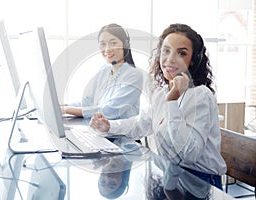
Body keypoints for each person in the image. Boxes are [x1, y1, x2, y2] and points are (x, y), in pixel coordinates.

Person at [89, 23, 227, 190]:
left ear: (193, 60)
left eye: (181, 53)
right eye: (166, 51)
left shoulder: (201, 96)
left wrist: (172, 102)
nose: (170, 59)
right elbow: (140, 124)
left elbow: (189, 154)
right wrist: (108, 126)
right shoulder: (162, 93)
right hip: (172, 175)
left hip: (201, 182)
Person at [62, 23, 144, 120]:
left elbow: (111, 110)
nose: (107, 49)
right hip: (100, 131)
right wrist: (62, 106)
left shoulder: (134, 74)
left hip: (121, 134)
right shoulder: (103, 71)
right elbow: (88, 102)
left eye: (113, 43)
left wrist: (67, 110)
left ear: (125, 45)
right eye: (103, 44)